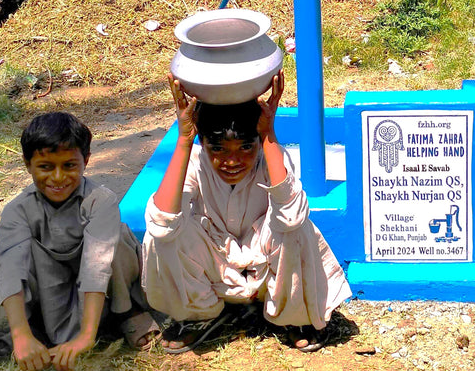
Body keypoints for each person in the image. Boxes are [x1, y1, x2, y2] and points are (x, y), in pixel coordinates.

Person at [143, 72, 351, 354]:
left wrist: (268, 134)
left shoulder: (272, 157)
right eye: (218, 148)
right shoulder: (194, 160)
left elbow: (291, 215)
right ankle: (197, 316)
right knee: (162, 235)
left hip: (264, 273)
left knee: (295, 226)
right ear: (203, 144)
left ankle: (293, 317)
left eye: (245, 147)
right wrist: (183, 140)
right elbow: (161, 224)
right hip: (215, 272)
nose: (232, 161)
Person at [0, 112, 156, 371]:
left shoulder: (100, 200)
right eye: (45, 167)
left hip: (102, 287)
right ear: (27, 164)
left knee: (117, 236)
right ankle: (33, 329)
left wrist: (86, 337)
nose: (58, 178)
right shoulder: (18, 211)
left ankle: (126, 311)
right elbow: (9, 272)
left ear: (86, 161)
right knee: (18, 257)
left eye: (69, 165)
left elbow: (97, 267)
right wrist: (20, 333)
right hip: (52, 289)